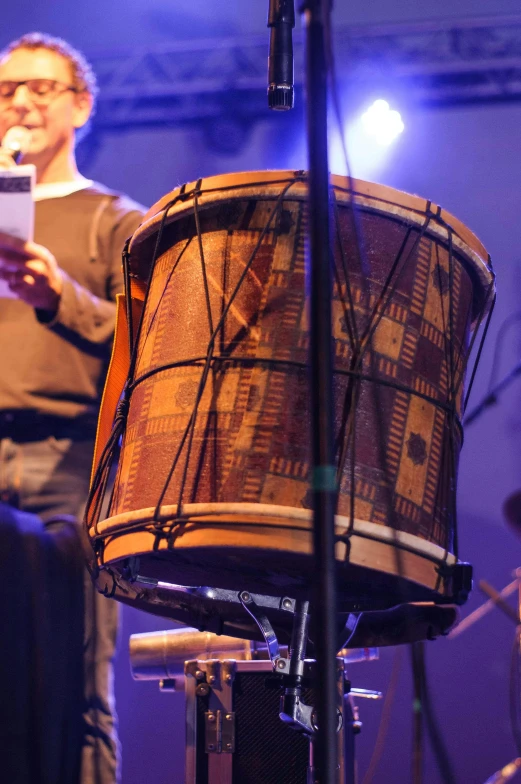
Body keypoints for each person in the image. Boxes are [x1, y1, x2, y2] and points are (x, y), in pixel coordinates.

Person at [0, 32, 146, 783]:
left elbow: (156, 338)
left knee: (77, 685)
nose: (20, 102)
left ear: (81, 105)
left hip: (71, 463)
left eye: (41, 88)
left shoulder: (115, 221)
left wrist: (57, 295)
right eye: (5, 90)